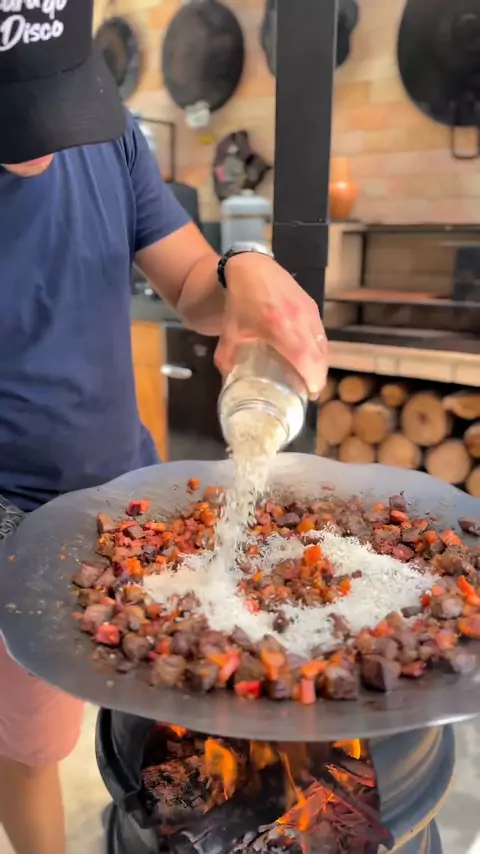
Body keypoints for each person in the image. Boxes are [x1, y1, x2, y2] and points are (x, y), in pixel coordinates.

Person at [0, 2, 328, 853]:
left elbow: (189, 281)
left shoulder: (97, 120)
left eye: (51, 98)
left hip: (135, 501)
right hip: (11, 525)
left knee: (186, 720)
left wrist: (243, 269)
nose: (39, 148)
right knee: (34, 749)